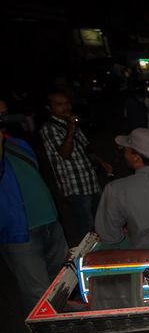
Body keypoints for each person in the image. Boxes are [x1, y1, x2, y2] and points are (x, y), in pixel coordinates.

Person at [0, 100, 69, 319]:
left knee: (62, 279)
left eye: (4, 113)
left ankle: (66, 319)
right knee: (37, 290)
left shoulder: (17, 143)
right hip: (20, 231)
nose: (5, 118)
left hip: (49, 220)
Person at [39, 91, 112, 244]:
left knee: (101, 221)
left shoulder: (71, 124)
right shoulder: (49, 128)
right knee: (86, 228)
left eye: (67, 103)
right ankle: (87, 260)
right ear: (48, 108)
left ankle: (104, 252)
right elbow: (64, 154)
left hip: (90, 182)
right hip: (75, 187)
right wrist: (71, 130)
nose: (65, 107)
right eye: (59, 104)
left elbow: (86, 148)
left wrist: (101, 162)